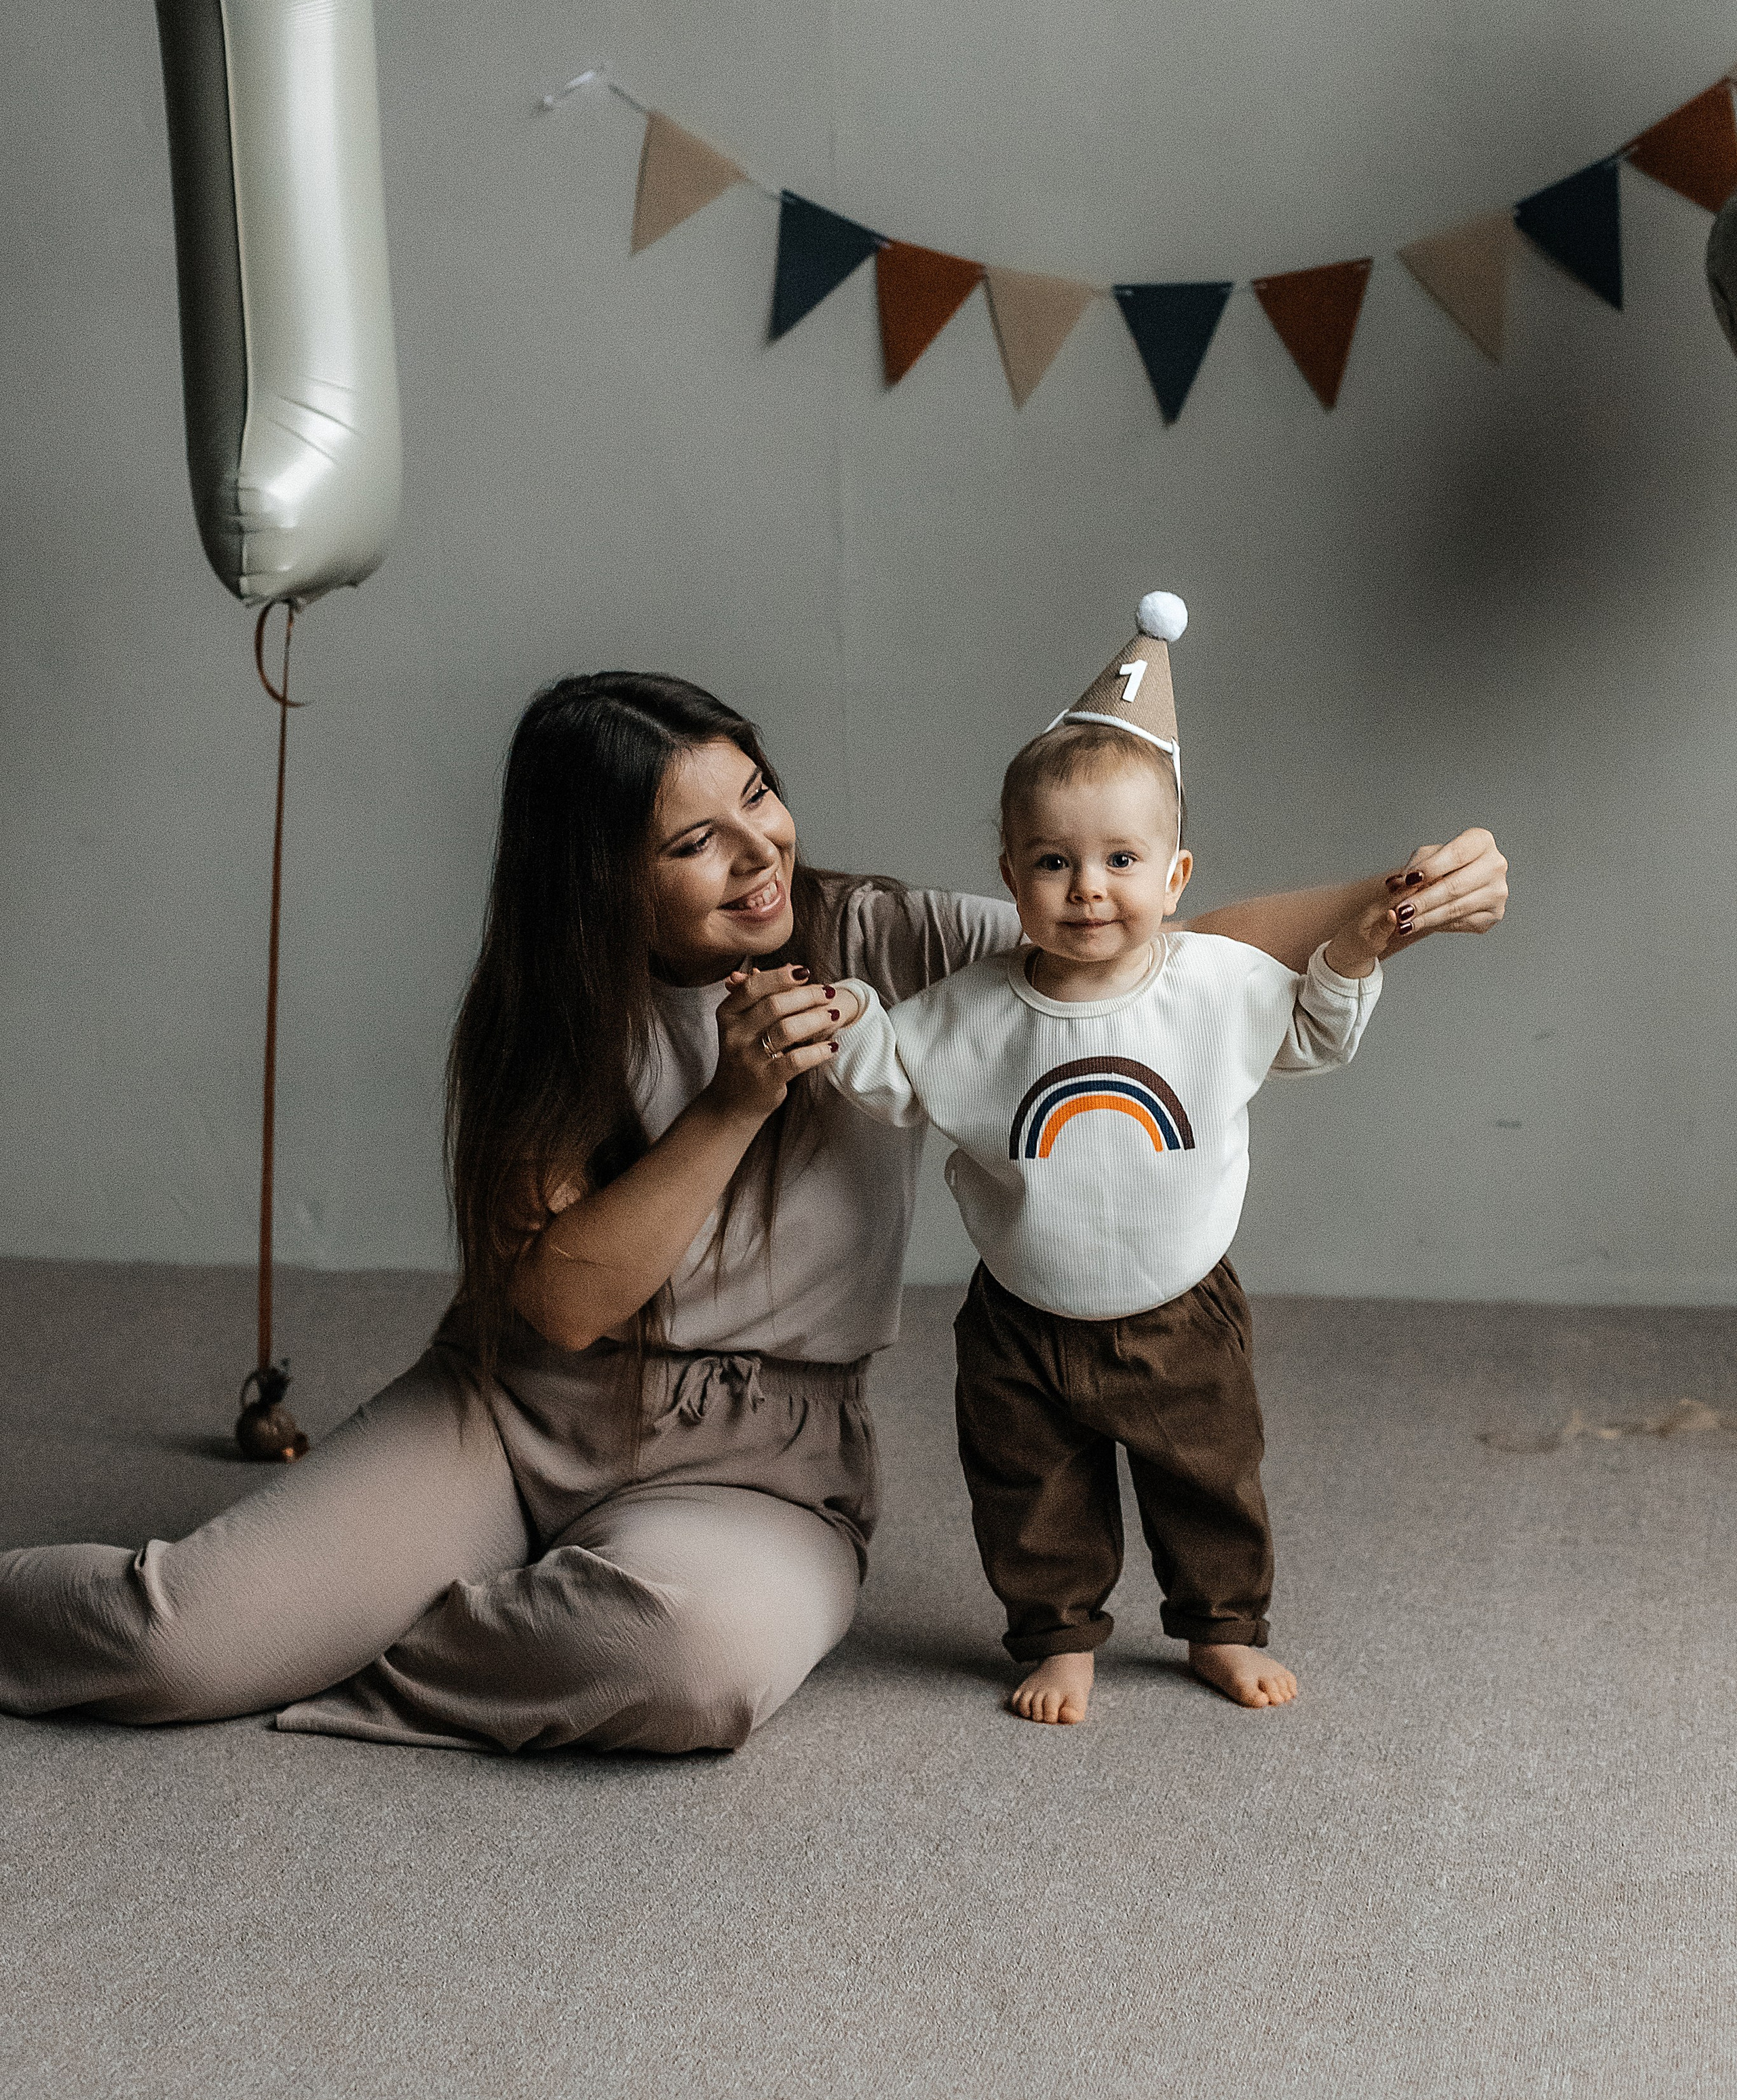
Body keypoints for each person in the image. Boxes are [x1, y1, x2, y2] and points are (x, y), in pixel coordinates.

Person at [0, 670, 1507, 1755]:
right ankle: (299, 1615)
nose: (759, 852)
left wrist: (1400, 897)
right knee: (172, 1639)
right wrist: (732, 1099)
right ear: (601, 882)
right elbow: (569, 1303)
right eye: (692, 841)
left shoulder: (886, 936)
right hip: (514, 1419)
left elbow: (1164, 945)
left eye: (759, 799)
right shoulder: (547, 1018)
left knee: (686, 1672)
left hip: (763, 1462)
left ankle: (360, 1620)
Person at [820, 593, 1468, 1726]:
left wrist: (1357, 951)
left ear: (1174, 880)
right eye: (1053, 862)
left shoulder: (1213, 985)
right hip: (1022, 1313)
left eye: (1122, 859)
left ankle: (1222, 1625)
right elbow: (891, 1074)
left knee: (1208, 1478)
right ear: (1012, 877)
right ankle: (1059, 1632)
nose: (1089, 888)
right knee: (1030, 1492)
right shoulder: (974, 1011)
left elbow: (1311, 1035)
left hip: (1179, 1311)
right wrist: (835, 1016)